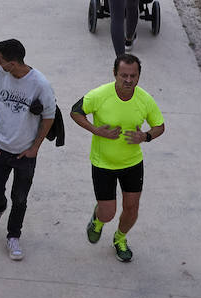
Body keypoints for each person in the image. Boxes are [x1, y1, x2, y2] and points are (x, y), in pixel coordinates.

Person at [70, 54, 165, 263]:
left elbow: (160, 126)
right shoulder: (99, 95)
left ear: (139, 76)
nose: (128, 80)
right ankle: (97, 220)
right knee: (108, 213)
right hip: (102, 164)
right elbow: (76, 112)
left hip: (132, 164)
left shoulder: (145, 99)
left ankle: (120, 239)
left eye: (133, 76)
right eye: (124, 75)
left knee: (132, 208)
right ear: (115, 74)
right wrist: (96, 130)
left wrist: (145, 136)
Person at [0, 39, 56, 261]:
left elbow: (49, 116)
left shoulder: (40, 84)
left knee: (20, 198)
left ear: (12, 63)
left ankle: (13, 235)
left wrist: (35, 148)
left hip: (24, 154)